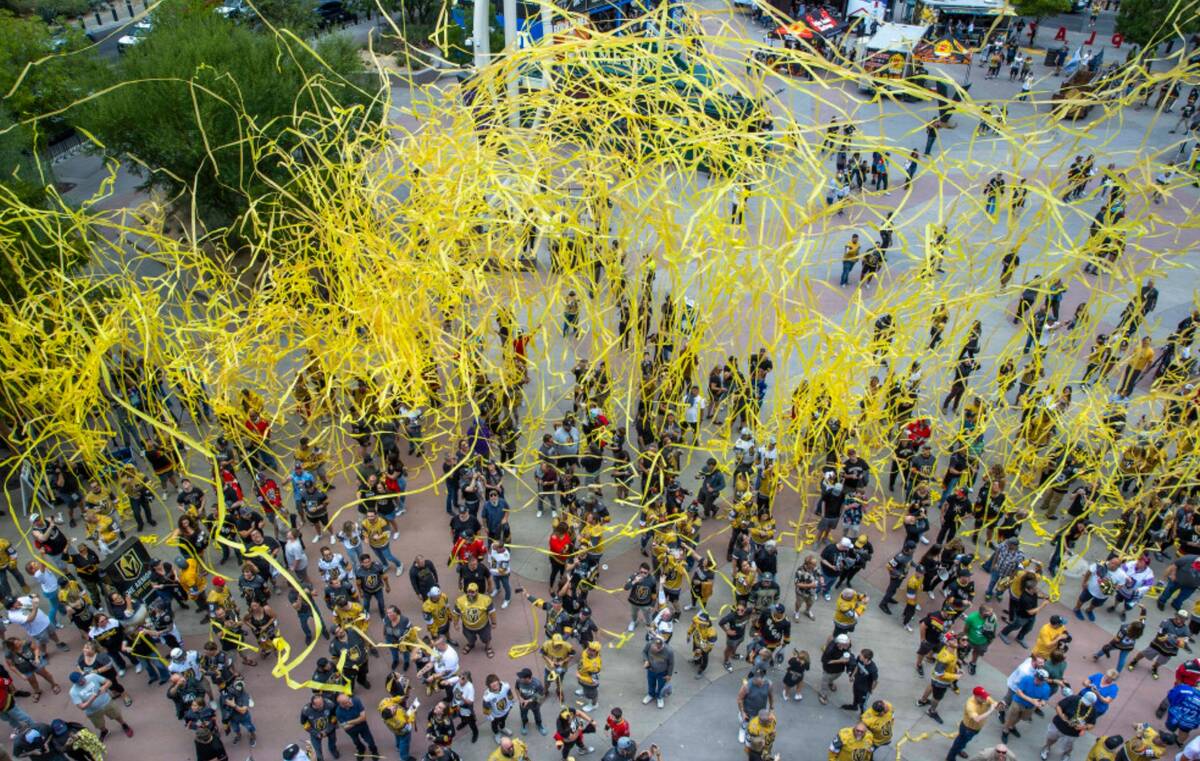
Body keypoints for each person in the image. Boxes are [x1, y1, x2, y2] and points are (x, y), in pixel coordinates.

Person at [67, 670, 134, 740]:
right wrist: (93, 697)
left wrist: (104, 687)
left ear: (82, 675)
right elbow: (82, 707)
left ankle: (124, 724)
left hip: (107, 702)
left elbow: (109, 682)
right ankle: (104, 731)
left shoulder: (92, 676)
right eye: (79, 682)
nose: (82, 682)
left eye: (82, 679)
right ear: (74, 683)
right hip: (92, 711)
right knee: (99, 724)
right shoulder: (73, 692)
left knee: (116, 714)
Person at [1039, 690, 1097, 760]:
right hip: (1058, 725)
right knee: (1051, 738)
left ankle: (1066, 754)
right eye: (1084, 701)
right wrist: (1062, 716)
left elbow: (1092, 724)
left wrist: (1084, 727)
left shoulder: (1093, 710)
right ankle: (1046, 748)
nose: (1084, 704)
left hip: (1072, 733)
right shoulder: (1073, 699)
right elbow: (1059, 706)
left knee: (1068, 746)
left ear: (1092, 704)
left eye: (1087, 703)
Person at [946, 685, 1000, 761]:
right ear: (976, 696)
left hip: (977, 728)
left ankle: (959, 750)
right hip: (967, 729)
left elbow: (995, 704)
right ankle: (950, 758)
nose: (985, 699)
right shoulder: (970, 705)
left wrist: (999, 706)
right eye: (982, 697)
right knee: (958, 743)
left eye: (984, 696)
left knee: (965, 741)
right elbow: (977, 719)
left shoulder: (984, 698)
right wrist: (990, 710)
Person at [1001, 668, 1052, 743]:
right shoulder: (1027, 679)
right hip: (1018, 702)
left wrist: (1042, 703)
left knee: (1022, 717)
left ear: (1044, 681)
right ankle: (1005, 731)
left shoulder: (1047, 688)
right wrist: (1032, 700)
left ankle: (1011, 727)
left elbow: (1044, 699)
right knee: (1011, 717)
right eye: (1036, 677)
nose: (1036, 680)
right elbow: (1019, 692)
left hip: (1030, 706)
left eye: (1039, 680)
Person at [737, 667, 774, 743]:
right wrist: (742, 712)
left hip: (760, 712)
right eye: (755, 679)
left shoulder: (769, 684)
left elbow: (771, 696)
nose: (756, 682)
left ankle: (753, 733)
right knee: (745, 723)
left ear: (763, 678)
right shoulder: (747, 686)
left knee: (758, 725)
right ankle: (743, 730)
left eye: (759, 681)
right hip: (748, 712)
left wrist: (771, 709)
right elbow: (739, 699)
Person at [642, 637, 673, 709]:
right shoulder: (649, 644)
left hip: (662, 672)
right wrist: (646, 660)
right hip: (651, 669)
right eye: (654, 649)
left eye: (658, 649)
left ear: (662, 646)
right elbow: (644, 652)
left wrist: (669, 675)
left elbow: (671, 663)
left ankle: (660, 697)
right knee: (651, 683)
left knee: (661, 686)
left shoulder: (669, 651)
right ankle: (651, 694)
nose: (656, 652)